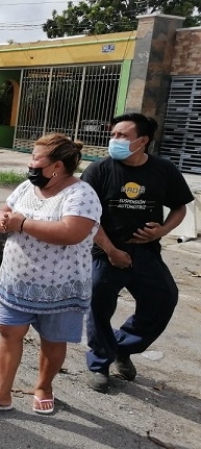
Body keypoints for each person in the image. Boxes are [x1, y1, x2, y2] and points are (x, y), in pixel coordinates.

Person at [0, 133, 101, 414]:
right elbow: (5, 209)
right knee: (8, 332)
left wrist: (23, 223)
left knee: (53, 341)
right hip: (17, 281)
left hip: (60, 286)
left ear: (56, 166)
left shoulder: (81, 194)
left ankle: (44, 386)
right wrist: (2, 219)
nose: (30, 164)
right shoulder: (27, 188)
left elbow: (72, 232)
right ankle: (2, 393)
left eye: (36, 158)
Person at [82, 113, 195, 393]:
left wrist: (162, 230)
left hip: (146, 252)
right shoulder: (99, 170)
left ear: (142, 141)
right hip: (105, 252)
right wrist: (110, 250)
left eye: (123, 135)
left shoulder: (163, 170)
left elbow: (180, 207)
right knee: (99, 305)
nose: (114, 140)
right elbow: (86, 217)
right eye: (113, 134)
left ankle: (122, 347)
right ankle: (99, 364)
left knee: (163, 299)